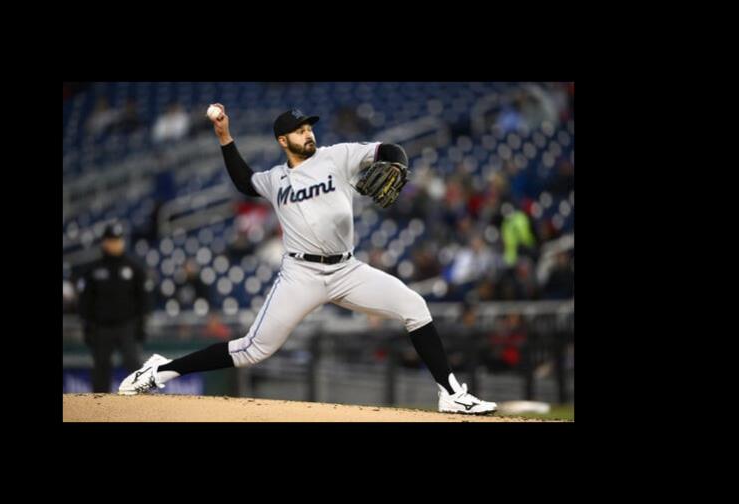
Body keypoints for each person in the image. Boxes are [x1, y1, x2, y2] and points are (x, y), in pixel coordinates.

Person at [119, 105, 496, 415]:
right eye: (299, 131)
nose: (308, 134)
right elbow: (243, 181)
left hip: (347, 269)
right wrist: (224, 137)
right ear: (283, 140)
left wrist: (397, 163)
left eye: (309, 128)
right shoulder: (275, 178)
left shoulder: (338, 156)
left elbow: (386, 150)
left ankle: (450, 393)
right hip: (301, 273)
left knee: (415, 305)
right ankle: (161, 370)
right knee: (253, 350)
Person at [76, 221, 149, 393]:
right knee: (100, 368)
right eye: (112, 240)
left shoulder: (134, 268)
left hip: (126, 325)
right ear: (105, 242)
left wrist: (141, 324)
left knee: (133, 364)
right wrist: (87, 326)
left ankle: (145, 403)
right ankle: (100, 406)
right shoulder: (94, 270)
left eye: (118, 240)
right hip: (101, 327)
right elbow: (85, 301)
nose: (115, 244)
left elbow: (144, 298)